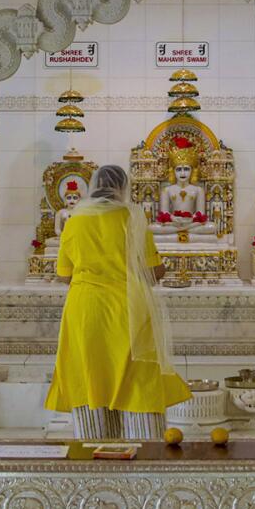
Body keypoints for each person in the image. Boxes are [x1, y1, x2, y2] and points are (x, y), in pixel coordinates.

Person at [46, 163, 191, 440]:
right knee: (137, 380)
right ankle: (146, 452)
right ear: (122, 188)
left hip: (85, 310)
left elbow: (64, 274)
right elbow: (152, 271)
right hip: (128, 309)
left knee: (89, 376)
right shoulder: (131, 216)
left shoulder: (75, 219)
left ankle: (94, 453)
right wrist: (162, 269)